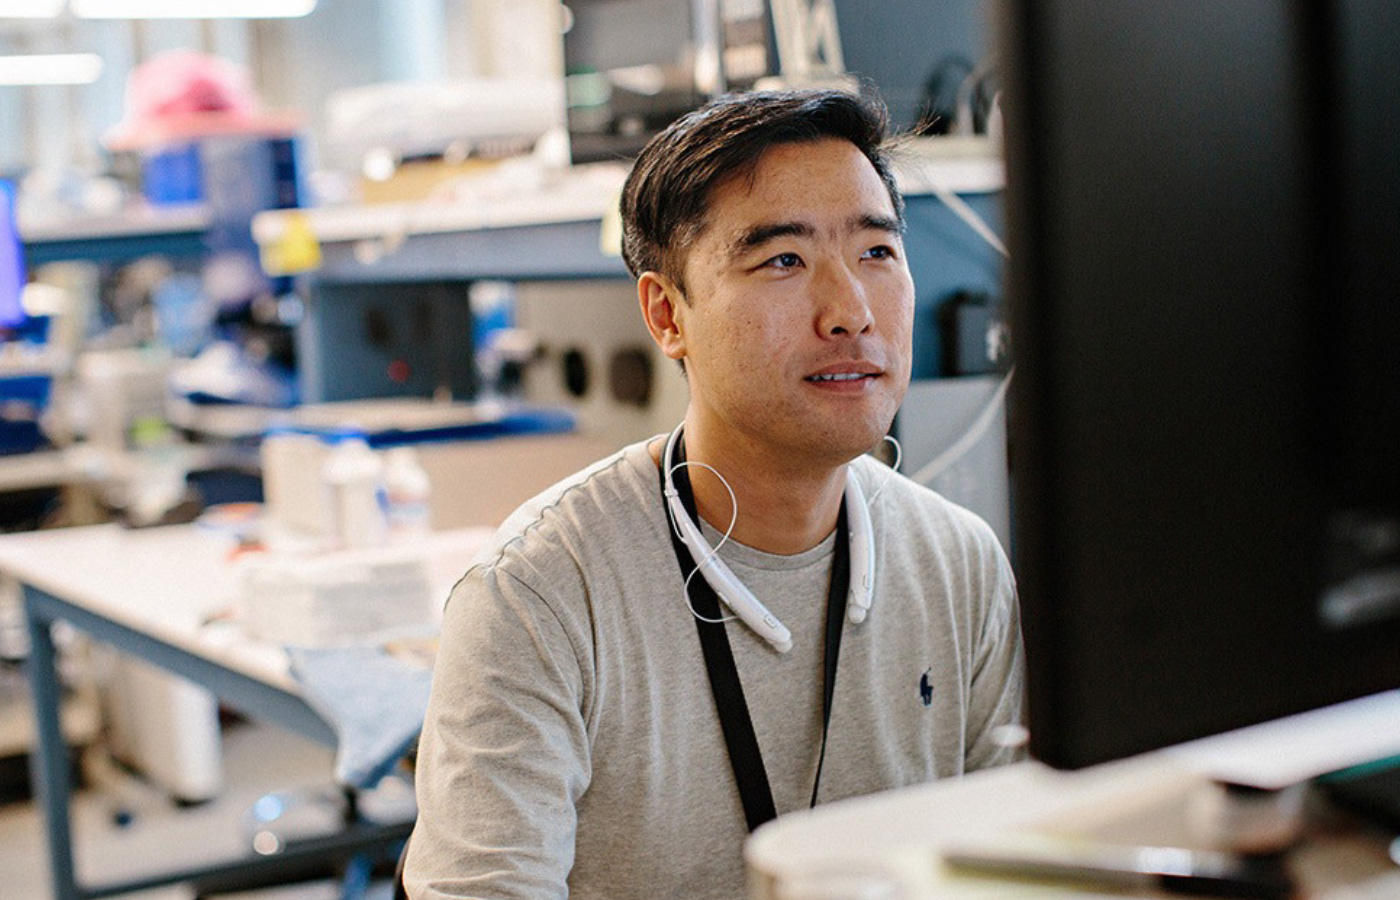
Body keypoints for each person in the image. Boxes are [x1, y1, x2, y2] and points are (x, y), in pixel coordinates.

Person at [404, 88, 1024, 900]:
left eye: (877, 252)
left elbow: (1021, 862)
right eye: (782, 261)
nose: (851, 312)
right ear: (667, 314)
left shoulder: (959, 563)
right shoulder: (539, 597)